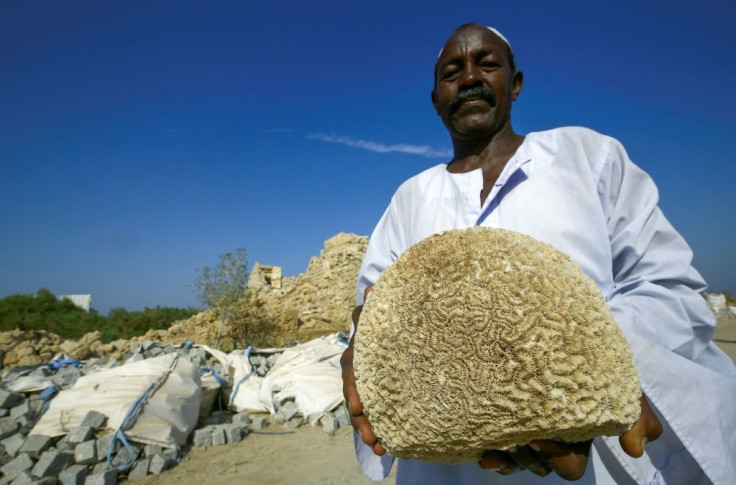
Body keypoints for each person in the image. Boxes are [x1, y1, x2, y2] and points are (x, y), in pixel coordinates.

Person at [341, 23, 736, 484]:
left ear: (516, 83)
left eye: (487, 64)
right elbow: (371, 313)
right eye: (452, 71)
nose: (469, 77)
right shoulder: (408, 199)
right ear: (435, 98)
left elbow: (670, 288)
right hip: (446, 467)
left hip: (592, 457)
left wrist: (585, 370)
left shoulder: (588, 157)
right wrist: (358, 353)